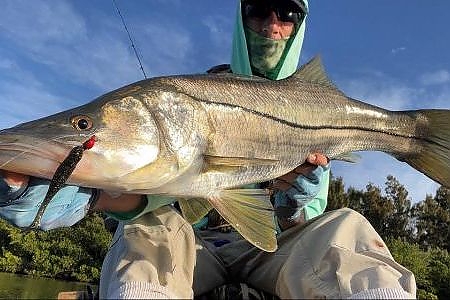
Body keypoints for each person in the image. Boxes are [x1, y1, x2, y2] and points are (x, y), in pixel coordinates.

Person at [0, 0, 416, 299]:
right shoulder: (187, 94)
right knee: (146, 230)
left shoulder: (315, 106)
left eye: (288, 14)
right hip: (193, 247)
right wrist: (52, 195)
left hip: (273, 250)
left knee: (348, 227)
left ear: (300, 24)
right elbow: (131, 191)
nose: (273, 24)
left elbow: (300, 220)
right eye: (259, 8)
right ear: (240, 18)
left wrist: (298, 196)